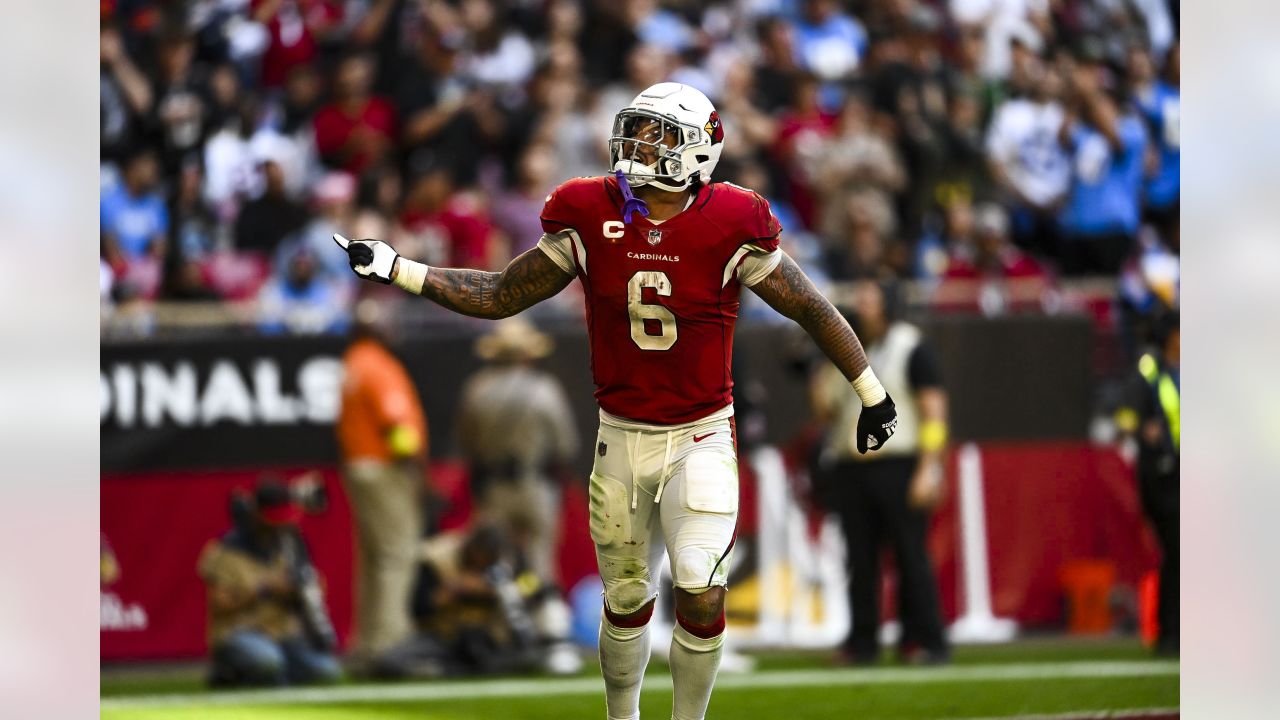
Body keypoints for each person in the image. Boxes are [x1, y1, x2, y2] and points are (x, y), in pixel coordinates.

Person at [334, 82, 898, 720]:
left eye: (658, 134)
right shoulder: (588, 209)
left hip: (701, 433)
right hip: (621, 433)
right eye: (637, 129)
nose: (638, 144)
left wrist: (871, 393)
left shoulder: (734, 220)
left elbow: (811, 308)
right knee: (627, 600)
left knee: (699, 587)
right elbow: (499, 294)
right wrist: (397, 268)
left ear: (698, 151)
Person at [812, 280, 950, 665]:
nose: (862, 304)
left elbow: (933, 410)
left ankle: (922, 639)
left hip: (900, 462)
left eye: (870, 297)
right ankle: (862, 641)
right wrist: (817, 364)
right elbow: (826, 411)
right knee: (859, 558)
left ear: (889, 303)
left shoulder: (911, 345)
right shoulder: (844, 346)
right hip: (852, 466)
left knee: (910, 556)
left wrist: (930, 466)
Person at [335, 301, 430, 670]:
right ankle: (391, 643)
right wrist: (417, 472)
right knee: (397, 553)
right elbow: (400, 431)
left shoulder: (353, 362)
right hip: (385, 466)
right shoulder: (379, 366)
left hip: (358, 464)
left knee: (374, 557)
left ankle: (367, 644)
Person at [456, 317, 578, 587]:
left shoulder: (477, 390)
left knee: (496, 564)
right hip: (535, 486)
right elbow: (565, 445)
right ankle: (545, 624)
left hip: (494, 488)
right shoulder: (545, 389)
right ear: (528, 354)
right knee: (540, 564)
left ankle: (503, 624)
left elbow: (467, 444)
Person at [197, 480, 343, 687]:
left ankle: (275, 677)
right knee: (267, 661)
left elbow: (316, 586)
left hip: (283, 634)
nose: (279, 525)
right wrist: (265, 588)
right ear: (256, 514)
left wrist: (303, 590)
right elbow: (219, 604)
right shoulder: (226, 550)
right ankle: (227, 673)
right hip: (239, 632)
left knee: (327, 672)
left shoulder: (291, 544)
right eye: (273, 520)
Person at [1114, 311, 1179, 656]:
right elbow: (1124, 417)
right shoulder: (1150, 370)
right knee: (1178, 551)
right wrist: (1141, 429)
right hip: (1163, 475)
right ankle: (1171, 633)